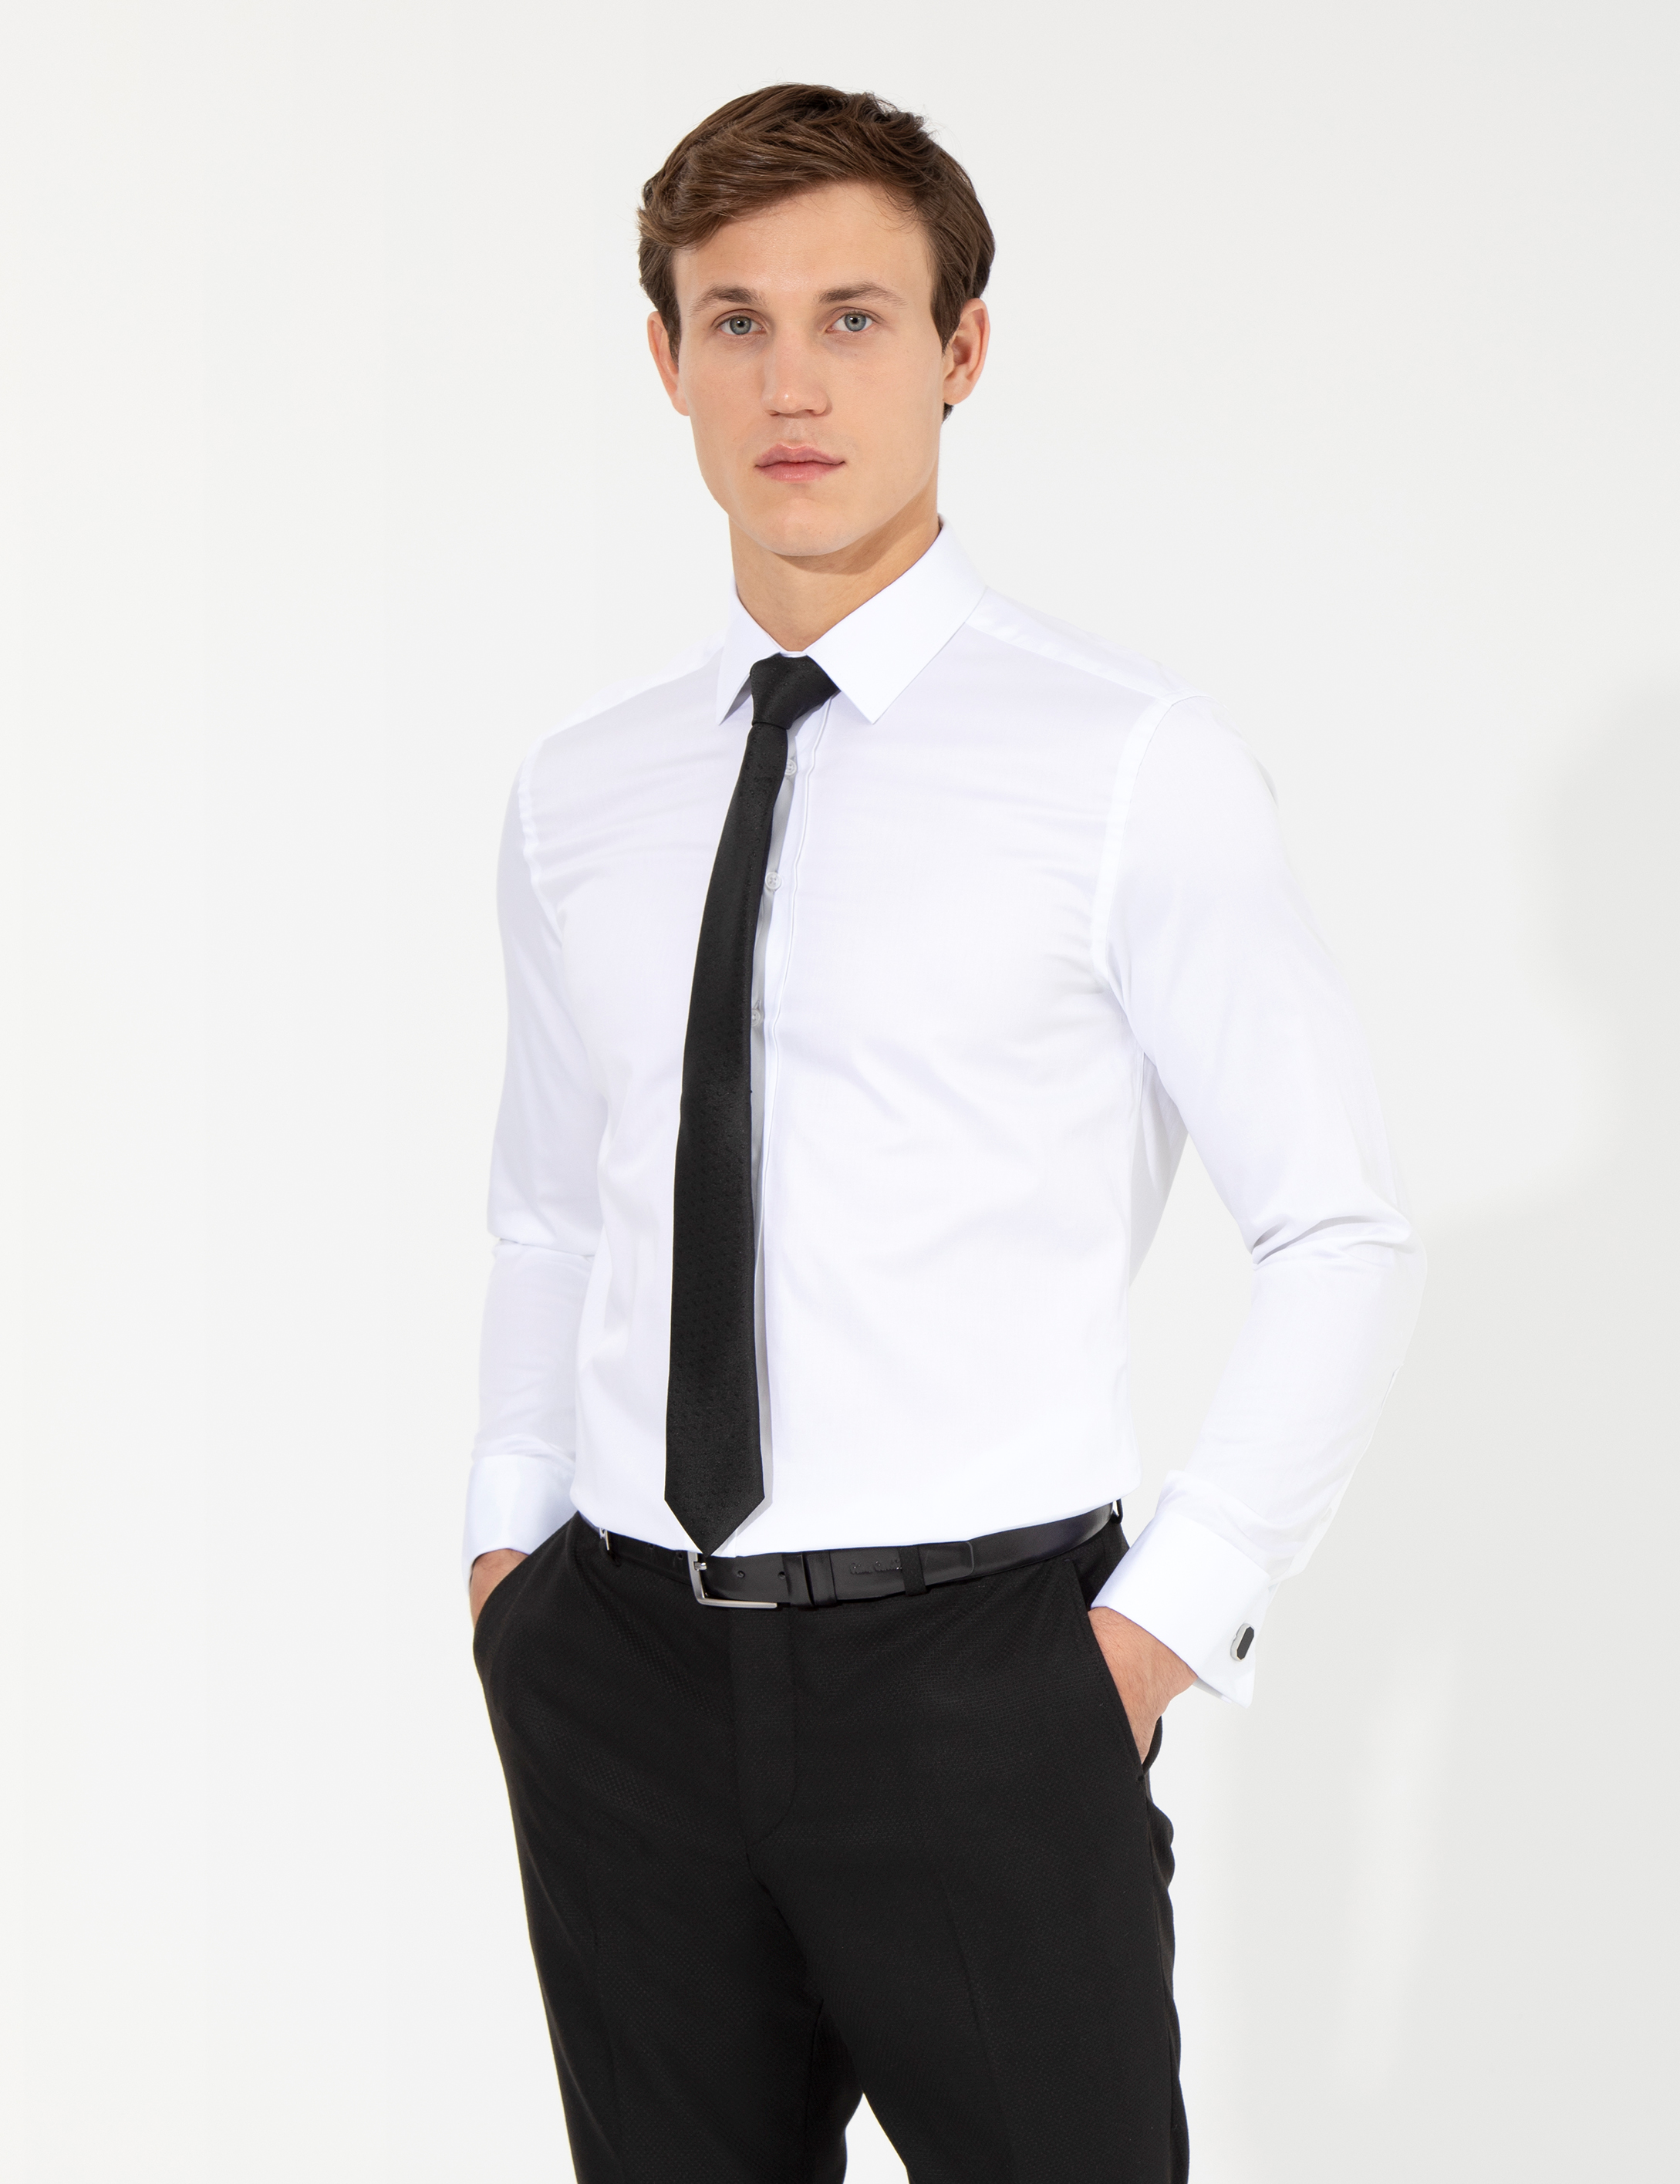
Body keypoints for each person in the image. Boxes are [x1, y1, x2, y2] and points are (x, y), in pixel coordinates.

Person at [463, 83, 1424, 2184]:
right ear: (666, 360)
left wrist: (1143, 1644)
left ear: (961, 348)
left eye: (855, 317)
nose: (791, 384)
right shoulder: (582, 791)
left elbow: (1337, 1230)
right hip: (618, 1672)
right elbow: (550, 1208)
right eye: (735, 321)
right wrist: (509, 1562)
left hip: (980, 1681)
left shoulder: (1126, 763)